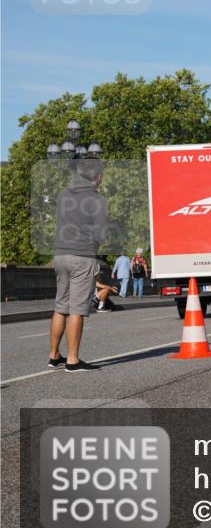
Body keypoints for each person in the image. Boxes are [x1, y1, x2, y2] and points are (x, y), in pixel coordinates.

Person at [49, 157, 108, 372]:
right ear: (97, 177)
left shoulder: (64, 194)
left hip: (60, 254)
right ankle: (73, 359)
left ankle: (54, 355)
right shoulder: (96, 199)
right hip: (82, 256)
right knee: (77, 309)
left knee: (60, 306)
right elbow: (101, 234)